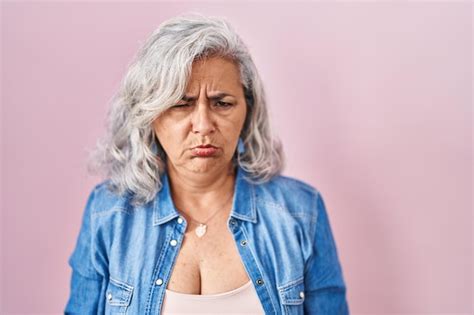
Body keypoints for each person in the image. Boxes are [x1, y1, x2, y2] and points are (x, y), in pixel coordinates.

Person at [64, 13, 349, 314]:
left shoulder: (301, 211)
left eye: (222, 103)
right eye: (181, 104)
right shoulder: (108, 214)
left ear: (248, 112)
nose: (203, 125)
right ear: (149, 115)